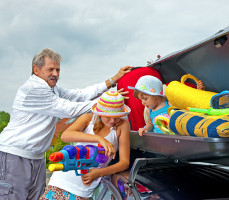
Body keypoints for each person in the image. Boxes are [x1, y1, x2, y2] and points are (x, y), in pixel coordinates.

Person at [0, 48, 133, 200]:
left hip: (36, 157)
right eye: (50, 69)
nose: (56, 74)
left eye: (58, 69)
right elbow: (69, 109)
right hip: (15, 154)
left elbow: (80, 95)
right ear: (36, 70)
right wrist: (109, 104)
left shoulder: (53, 89)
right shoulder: (34, 89)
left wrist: (113, 81)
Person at [40, 90, 131, 199]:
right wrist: (99, 139)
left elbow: (124, 163)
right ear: (100, 112)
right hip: (61, 180)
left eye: (116, 116)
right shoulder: (88, 119)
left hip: (83, 189)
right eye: (108, 116)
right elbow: (65, 135)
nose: (112, 120)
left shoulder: (122, 125)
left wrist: (99, 173)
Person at [128, 75, 205, 136]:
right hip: (161, 141)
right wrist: (146, 129)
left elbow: (189, 107)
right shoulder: (149, 111)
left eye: (145, 98)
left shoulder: (169, 103)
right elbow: (150, 124)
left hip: (177, 138)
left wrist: (199, 91)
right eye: (140, 99)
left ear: (156, 95)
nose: (143, 103)